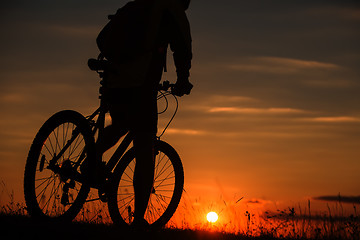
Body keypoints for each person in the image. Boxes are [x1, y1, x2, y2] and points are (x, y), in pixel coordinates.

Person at [95, 0, 193, 228]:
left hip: (114, 78)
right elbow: (182, 47)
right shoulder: (172, 11)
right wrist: (183, 80)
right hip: (141, 83)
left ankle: (90, 160)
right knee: (145, 146)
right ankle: (138, 220)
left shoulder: (139, 4)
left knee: (120, 125)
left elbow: (103, 38)